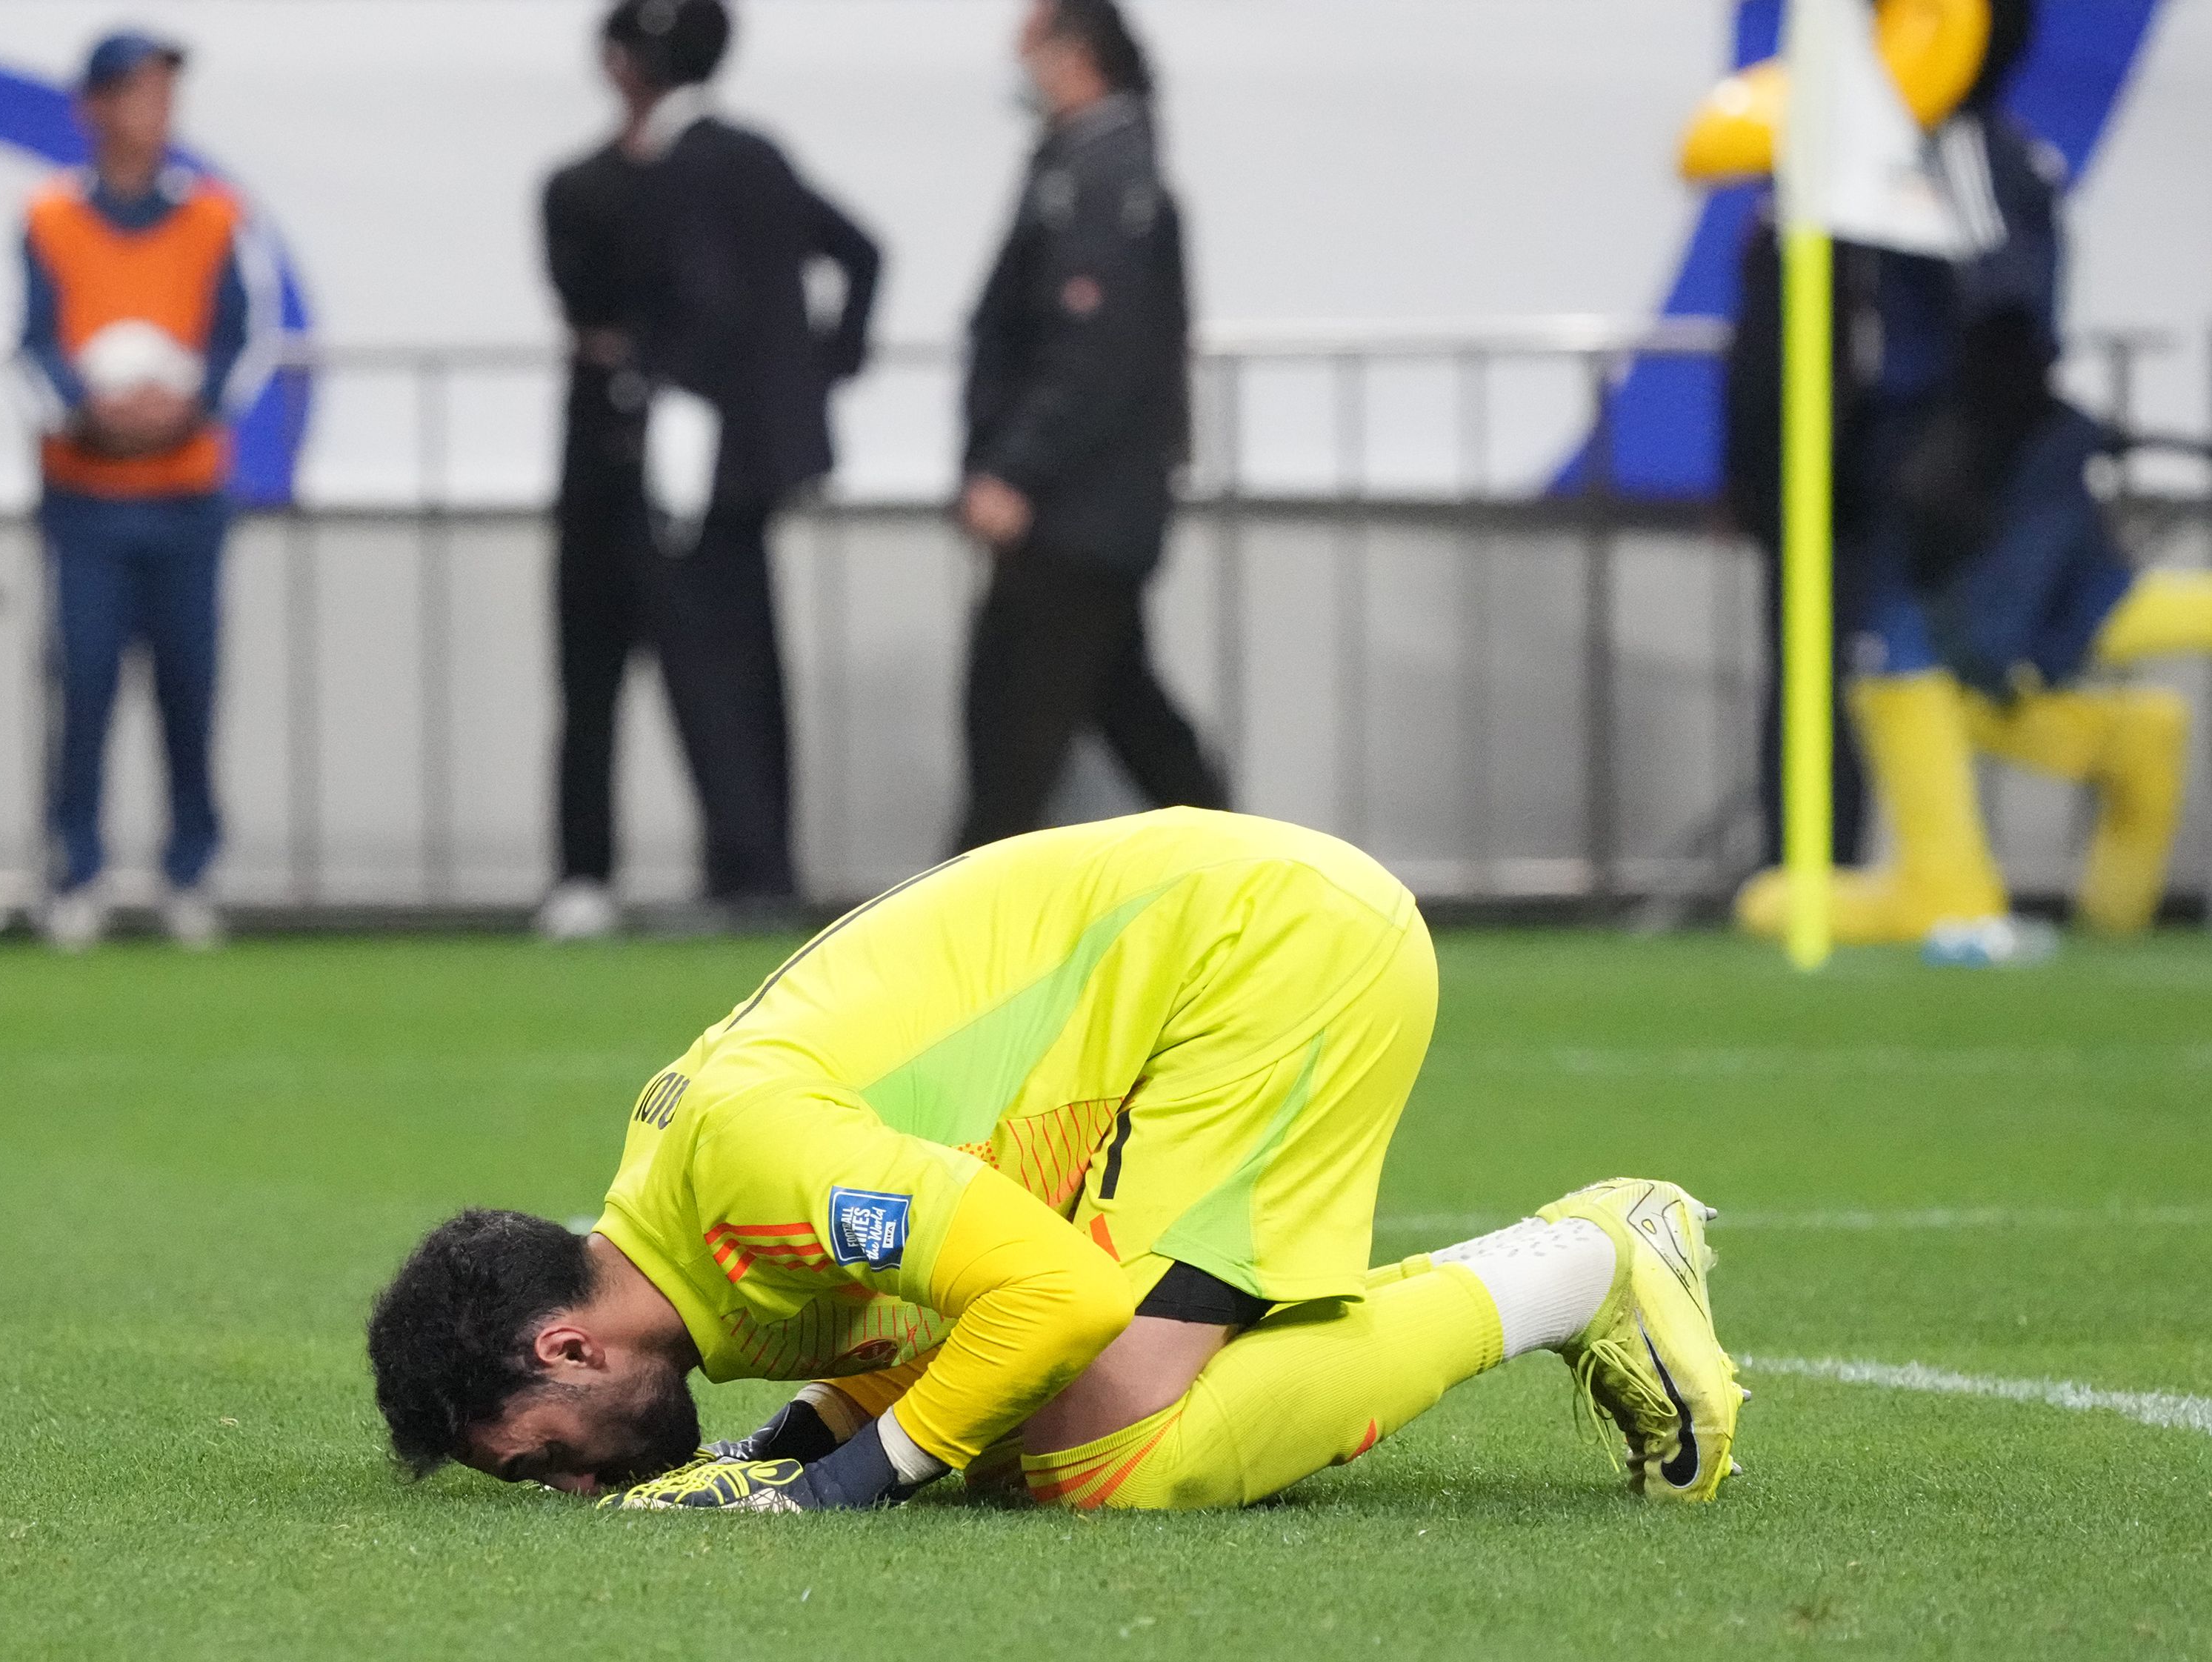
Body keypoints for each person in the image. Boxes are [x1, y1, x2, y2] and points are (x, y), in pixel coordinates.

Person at [367, 808, 1745, 1513]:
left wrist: (842, 1487)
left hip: (1264, 953)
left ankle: (1590, 1260)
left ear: (567, 1348)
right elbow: (929, 1295)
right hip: (1196, 978)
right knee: (1009, 1430)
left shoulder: (744, 1165)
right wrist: (794, 1445)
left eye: (540, 1460)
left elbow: (1048, 1300)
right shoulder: (686, 1222)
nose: (575, 1488)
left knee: (1102, 1451)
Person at [1699, 0, 2212, 948]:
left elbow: (2012, 324)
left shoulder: (1967, 152)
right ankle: (2002, 845)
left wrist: (1960, 458)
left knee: (1964, 643)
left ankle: (1956, 890)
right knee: (1940, 660)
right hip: (1909, 470)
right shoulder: (1845, 164)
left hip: (1990, 462)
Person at [598, 0, 880, 918]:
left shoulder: (680, 167)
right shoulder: (754, 154)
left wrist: (661, 381)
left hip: (694, 452)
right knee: (751, 661)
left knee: (706, 667)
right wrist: (816, 376)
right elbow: (861, 252)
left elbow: (706, 303)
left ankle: (746, 869)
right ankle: (764, 864)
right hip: (759, 455)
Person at [953, 0, 1227, 854]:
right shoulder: (1087, 165)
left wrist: (1016, 469)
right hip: (1091, 507)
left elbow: (1089, 352)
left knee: (1011, 735)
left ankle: (962, 935)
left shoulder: (1102, 177)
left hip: (1077, 509)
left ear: (1075, 57)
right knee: (1131, 716)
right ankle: (1258, 884)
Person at [16, 30, 250, 951]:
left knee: (191, 688)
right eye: (134, 94)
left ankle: (190, 869)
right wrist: (90, 409)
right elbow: (32, 345)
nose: (151, 113)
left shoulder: (215, 220)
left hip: (187, 495)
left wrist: (184, 406)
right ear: (97, 108)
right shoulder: (49, 218)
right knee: (84, 687)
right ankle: (76, 869)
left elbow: (241, 344)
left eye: (162, 94)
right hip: (87, 497)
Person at [531, 135, 656, 942]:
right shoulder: (575, 184)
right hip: (601, 483)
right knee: (587, 677)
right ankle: (585, 868)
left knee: (721, 683)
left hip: (702, 483)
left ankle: (750, 864)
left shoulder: (729, 169)